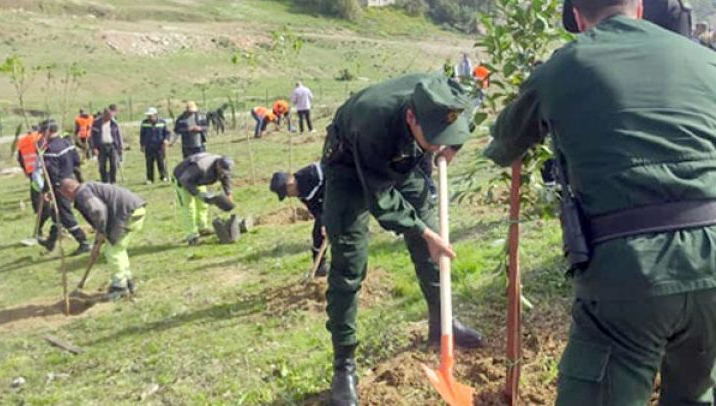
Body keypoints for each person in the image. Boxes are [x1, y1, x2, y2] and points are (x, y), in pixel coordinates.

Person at [486, 0, 716, 403]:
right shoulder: (702, 58)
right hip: (712, 254)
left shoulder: (563, 67)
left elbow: (506, 142)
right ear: (640, 8)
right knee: (694, 392)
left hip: (631, 271)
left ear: (577, 18)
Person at [321, 73, 484, 404]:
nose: (441, 148)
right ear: (412, 117)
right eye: (436, 139)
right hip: (351, 166)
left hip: (406, 155)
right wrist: (423, 232)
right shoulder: (372, 121)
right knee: (349, 265)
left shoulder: (446, 97)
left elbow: (464, 122)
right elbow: (382, 202)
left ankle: (443, 326)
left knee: (431, 248)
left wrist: (450, 146)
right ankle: (344, 366)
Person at [60, 178, 146, 300]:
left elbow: (98, 210)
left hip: (127, 213)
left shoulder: (82, 194)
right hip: (135, 210)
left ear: (69, 190)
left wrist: (101, 231)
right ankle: (127, 280)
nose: (66, 198)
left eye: (64, 194)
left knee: (113, 251)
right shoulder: (87, 188)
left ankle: (120, 287)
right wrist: (100, 235)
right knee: (118, 249)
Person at [38, 121, 91, 256]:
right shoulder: (67, 143)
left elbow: (51, 174)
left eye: (42, 133)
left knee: (65, 214)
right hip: (71, 181)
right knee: (57, 214)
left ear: (47, 132)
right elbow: (76, 161)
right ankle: (51, 241)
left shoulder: (50, 150)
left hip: (60, 186)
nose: (42, 136)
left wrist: (47, 190)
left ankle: (83, 241)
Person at [270, 162, 328, 277]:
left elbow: (332, 183)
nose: (288, 196)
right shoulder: (300, 193)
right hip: (328, 206)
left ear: (290, 183)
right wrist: (322, 222)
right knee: (318, 233)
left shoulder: (313, 174)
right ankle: (320, 267)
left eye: (286, 193)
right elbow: (315, 208)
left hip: (343, 191)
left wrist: (328, 215)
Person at [173, 153, 234, 245]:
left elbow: (225, 179)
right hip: (182, 179)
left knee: (203, 204)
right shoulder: (201, 167)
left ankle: (203, 228)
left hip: (197, 180)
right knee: (189, 207)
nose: (223, 173)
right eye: (222, 171)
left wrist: (228, 196)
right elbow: (184, 180)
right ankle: (192, 235)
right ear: (218, 165)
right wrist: (198, 193)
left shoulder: (224, 168)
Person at [16, 126, 50, 237]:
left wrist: (25, 170)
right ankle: (44, 208)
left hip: (31, 171)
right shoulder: (39, 138)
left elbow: (20, 158)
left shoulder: (22, 140)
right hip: (41, 170)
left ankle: (37, 208)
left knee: (36, 191)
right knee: (44, 193)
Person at [90, 108, 123, 184]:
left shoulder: (114, 123)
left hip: (112, 146)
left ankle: (113, 181)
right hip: (101, 147)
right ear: (104, 115)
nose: (110, 118)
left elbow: (118, 135)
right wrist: (94, 148)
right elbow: (92, 137)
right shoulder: (96, 123)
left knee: (114, 165)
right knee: (102, 166)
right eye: (108, 117)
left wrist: (120, 146)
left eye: (111, 117)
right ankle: (104, 181)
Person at [139, 107, 170, 184]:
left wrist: (166, 140)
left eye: (150, 116)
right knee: (149, 163)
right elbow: (142, 135)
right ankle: (150, 179)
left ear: (155, 115)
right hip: (149, 146)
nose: (149, 117)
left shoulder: (162, 122)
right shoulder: (144, 123)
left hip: (159, 146)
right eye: (148, 116)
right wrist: (142, 145)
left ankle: (163, 176)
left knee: (161, 162)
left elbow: (167, 133)